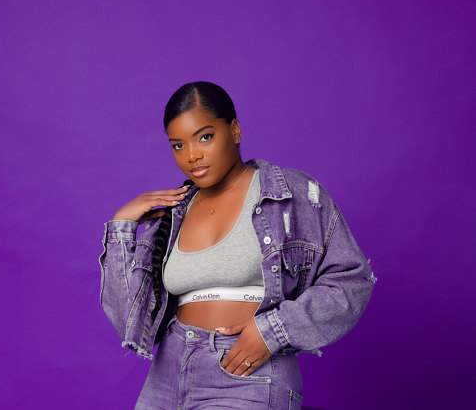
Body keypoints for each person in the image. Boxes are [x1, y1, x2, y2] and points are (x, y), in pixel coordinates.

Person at [98, 81, 377, 409]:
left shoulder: (290, 194)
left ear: (234, 130)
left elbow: (351, 280)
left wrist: (274, 331)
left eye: (205, 137)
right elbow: (129, 319)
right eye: (178, 145)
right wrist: (122, 227)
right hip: (168, 374)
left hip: (246, 371)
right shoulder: (172, 214)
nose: (192, 155)